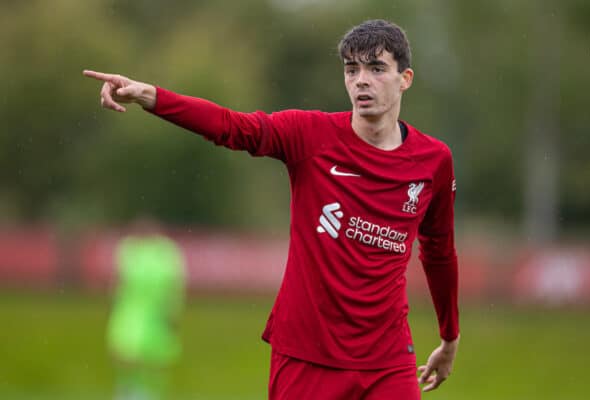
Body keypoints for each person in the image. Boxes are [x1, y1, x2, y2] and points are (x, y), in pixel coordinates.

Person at [86, 19, 459, 400]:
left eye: (376, 69)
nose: (361, 80)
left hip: (388, 361)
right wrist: (152, 96)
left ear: (405, 78)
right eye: (352, 69)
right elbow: (232, 127)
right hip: (306, 355)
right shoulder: (310, 136)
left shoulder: (434, 161)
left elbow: (439, 251)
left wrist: (449, 337)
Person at [107, 226, 186, 400]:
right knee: (150, 364)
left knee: (132, 361)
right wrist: (174, 314)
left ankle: (133, 392)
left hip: (134, 318)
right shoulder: (166, 255)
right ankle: (142, 392)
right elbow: (173, 290)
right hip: (149, 319)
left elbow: (116, 286)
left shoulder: (131, 252)